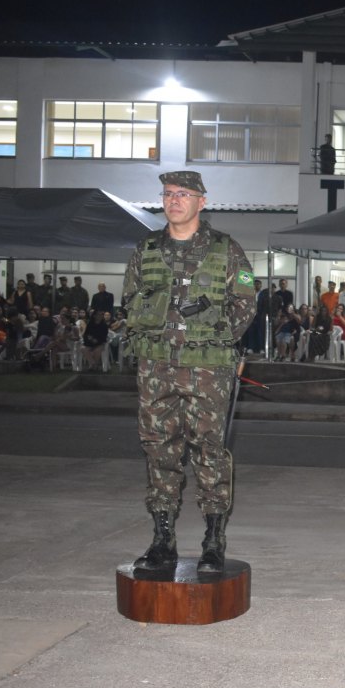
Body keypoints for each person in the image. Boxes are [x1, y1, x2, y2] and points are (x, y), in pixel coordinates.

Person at [122, 171, 256, 575]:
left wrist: (216, 335)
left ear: (202, 201)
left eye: (183, 194)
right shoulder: (145, 249)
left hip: (208, 368)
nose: (173, 200)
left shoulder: (226, 250)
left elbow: (246, 301)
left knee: (209, 451)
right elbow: (129, 298)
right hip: (156, 367)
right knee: (158, 449)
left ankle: (213, 541)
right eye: (167, 194)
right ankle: (162, 539)